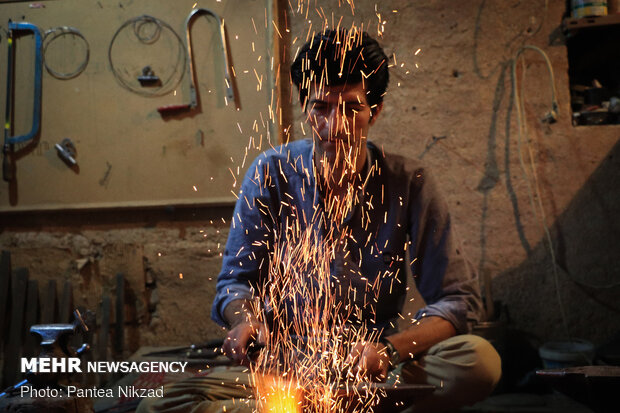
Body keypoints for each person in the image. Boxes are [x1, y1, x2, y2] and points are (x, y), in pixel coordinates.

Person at [211, 28, 501, 413]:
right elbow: (235, 282)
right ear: (304, 108)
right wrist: (245, 321)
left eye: (351, 108)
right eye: (321, 108)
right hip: (285, 364)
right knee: (161, 404)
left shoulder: (408, 182)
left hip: (371, 365)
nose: (335, 126)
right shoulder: (271, 173)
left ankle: (328, 405)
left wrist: (389, 350)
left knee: (478, 362)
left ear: (374, 112)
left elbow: (459, 300)